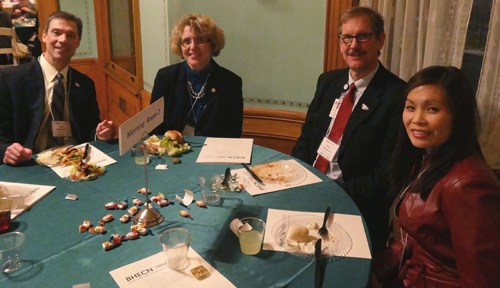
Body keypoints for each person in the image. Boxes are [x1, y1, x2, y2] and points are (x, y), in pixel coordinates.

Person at [371, 66, 500, 287]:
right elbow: (424, 236)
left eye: (432, 109)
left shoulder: (468, 185)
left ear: (458, 115)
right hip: (411, 275)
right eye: (411, 107)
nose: (417, 119)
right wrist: (375, 268)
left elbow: (482, 280)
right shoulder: (428, 156)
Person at [291, 6, 406, 253]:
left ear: (380, 40)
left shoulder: (396, 95)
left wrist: (328, 190)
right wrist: (296, 180)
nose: (353, 45)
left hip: (354, 207)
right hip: (308, 190)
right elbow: (306, 140)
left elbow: (385, 178)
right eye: (346, 37)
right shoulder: (328, 81)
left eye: (362, 36)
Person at [0, 11, 116, 166]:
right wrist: (7, 150)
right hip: (31, 163)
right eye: (57, 33)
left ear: (78, 42)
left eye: (70, 35)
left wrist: (100, 134)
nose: (63, 40)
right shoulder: (11, 79)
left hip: (75, 162)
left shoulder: (85, 83)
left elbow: (90, 128)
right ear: (44, 36)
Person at [150, 14, 243, 138]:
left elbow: (232, 133)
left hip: (212, 154)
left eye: (200, 40)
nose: (193, 47)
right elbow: (154, 128)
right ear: (180, 46)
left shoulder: (230, 82)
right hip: (171, 153)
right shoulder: (165, 77)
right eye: (186, 41)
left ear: (212, 44)